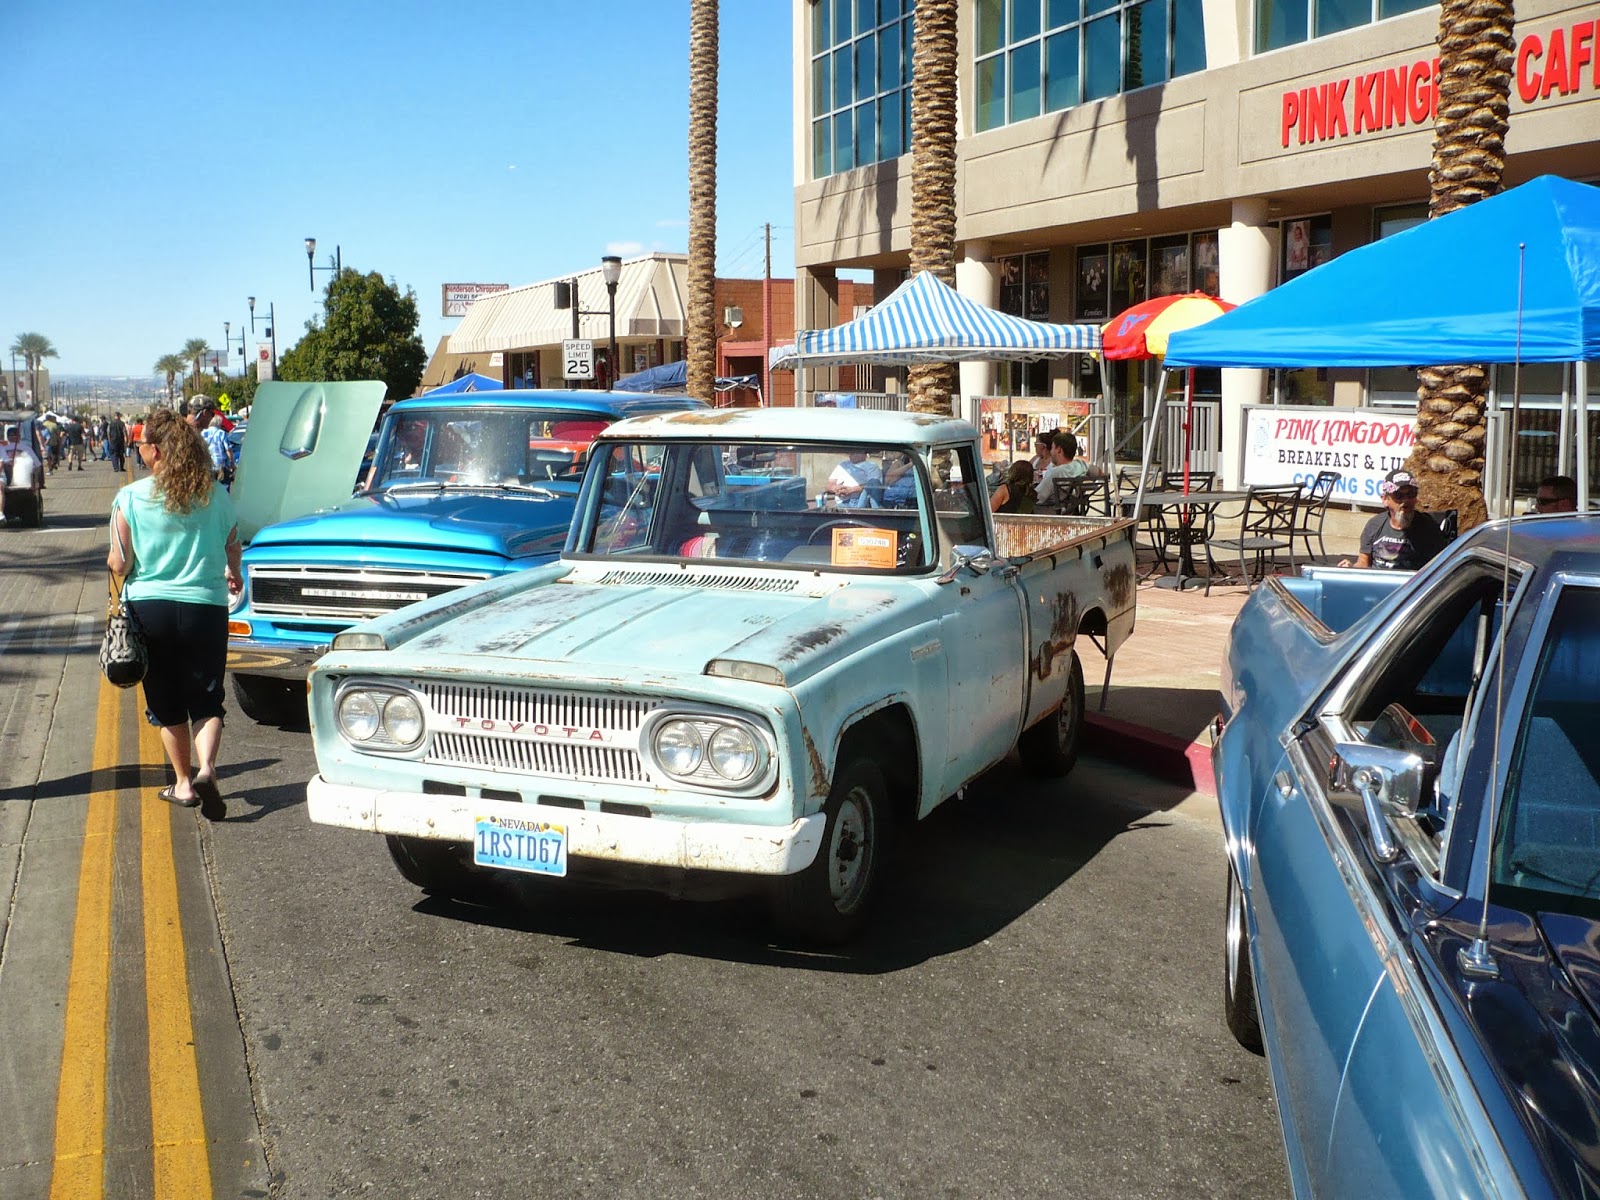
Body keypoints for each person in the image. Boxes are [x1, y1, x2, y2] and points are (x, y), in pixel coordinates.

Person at [107, 409, 242, 820]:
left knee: (166, 702)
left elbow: (119, 563)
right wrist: (233, 573)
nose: (140, 450)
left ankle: (183, 784)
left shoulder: (130, 497)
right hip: (206, 606)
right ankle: (208, 769)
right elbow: (233, 541)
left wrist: (128, 562)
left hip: (151, 610)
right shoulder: (216, 494)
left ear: (157, 451)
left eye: (143, 445)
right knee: (206, 699)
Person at [1340, 468, 1448, 570]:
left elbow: (1439, 568)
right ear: (1385, 500)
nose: (1405, 500)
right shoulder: (1374, 525)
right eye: (1398, 495)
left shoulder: (1428, 528)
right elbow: (1363, 562)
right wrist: (1350, 569)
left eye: (1411, 494)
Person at [1034, 430, 1089, 504]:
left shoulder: (1054, 473)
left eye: (1052, 448)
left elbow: (1037, 497)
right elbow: (1098, 472)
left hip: (1050, 511)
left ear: (1059, 450)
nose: (1051, 452)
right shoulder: (1081, 465)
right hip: (1071, 510)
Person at [1, 424, 42, 522]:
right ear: (19, 436)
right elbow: (37, 465)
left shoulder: (3, 448)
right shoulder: (26, 448)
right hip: (21, 481)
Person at [201, 415, 235, 486]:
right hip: (221, 466)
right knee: (224, 486)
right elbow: (228, 450)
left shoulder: (203, 433)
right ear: (219, 423)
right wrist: (232, 463)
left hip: (208, 466)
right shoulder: (221, 433)